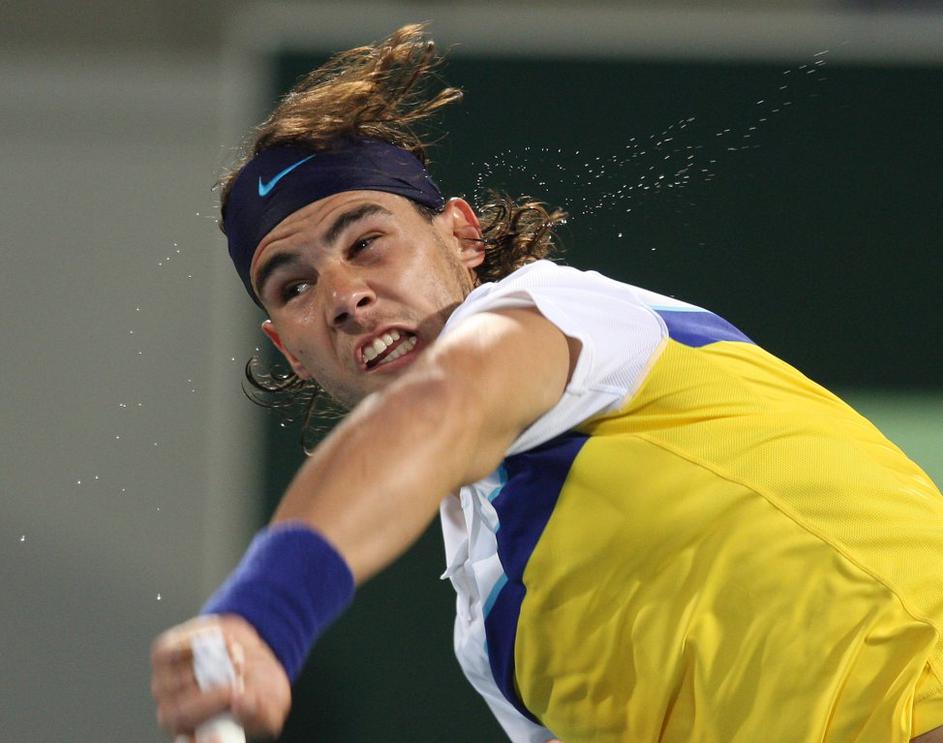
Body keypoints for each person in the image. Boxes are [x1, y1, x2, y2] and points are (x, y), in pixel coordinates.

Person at [150, 25, 943, 743]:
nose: (344, 296)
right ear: (287, 350)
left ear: (462, 236)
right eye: (293, 287)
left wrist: (264, 613)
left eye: (366, 242)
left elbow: (440, 410)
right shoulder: (495, 642)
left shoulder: (555, 311)